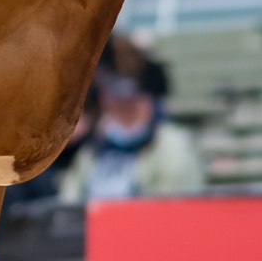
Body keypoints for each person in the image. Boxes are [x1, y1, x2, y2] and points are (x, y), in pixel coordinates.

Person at [57, 69, 203, 202]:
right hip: (91, 221)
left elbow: (176, 206)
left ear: (146, 100)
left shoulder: (172, 144)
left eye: (125, 99)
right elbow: (69, 200)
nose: (111, 102)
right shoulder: (92, 147)